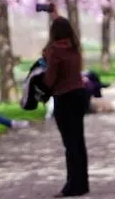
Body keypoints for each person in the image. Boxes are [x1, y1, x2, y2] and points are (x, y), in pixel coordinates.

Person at [44, 17, 90, 197]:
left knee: (69, 143)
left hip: (64, 97)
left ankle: (72, 186)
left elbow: (50, 80)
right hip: (79, 95)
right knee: (79, 141)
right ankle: (82, 183)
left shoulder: (55, 51)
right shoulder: (74, 48)